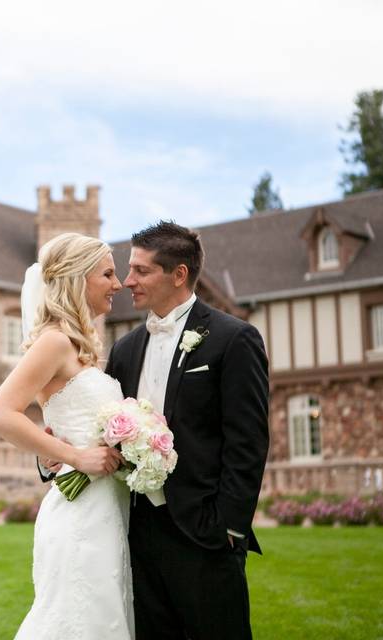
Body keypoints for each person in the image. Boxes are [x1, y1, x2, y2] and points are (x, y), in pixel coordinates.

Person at [41, 221, 269, 640]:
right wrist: (53, 455)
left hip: (205, 534)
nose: (128, 281)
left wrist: (228, 529)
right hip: (136, 535)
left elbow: (248, 441)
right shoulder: (125, 349)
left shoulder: (233, 339)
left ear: (178, 274)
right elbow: (99, 429)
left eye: (141, 271)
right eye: (127, 270)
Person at [0, 232, 132, 640]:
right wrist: (76, 456)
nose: (118, 284)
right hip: (80, 514)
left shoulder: (77, 345)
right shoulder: (53, 341)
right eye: (107, 273)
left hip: (107, 511)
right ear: (77, 277)